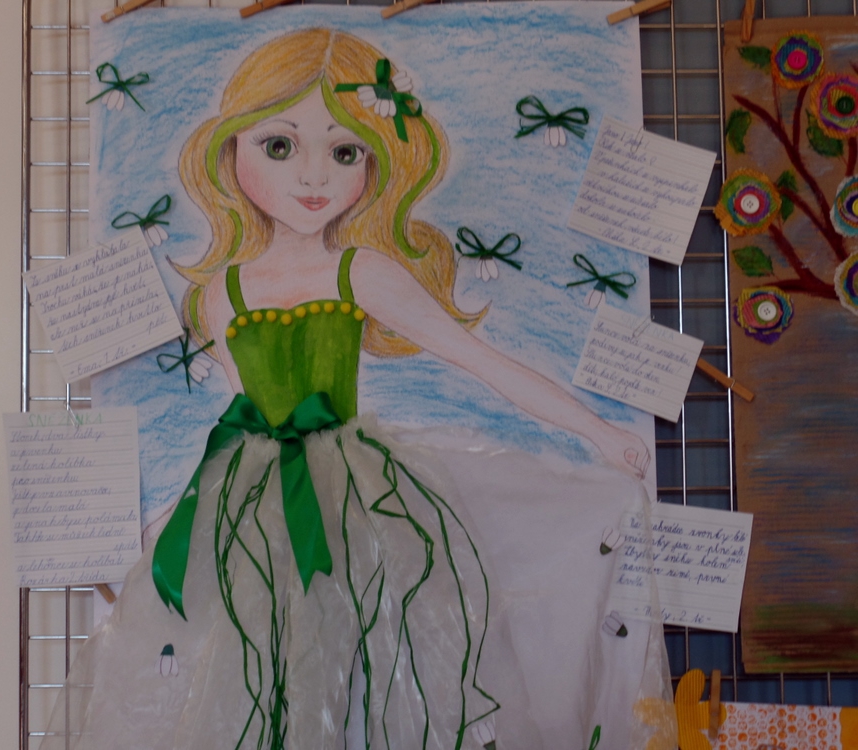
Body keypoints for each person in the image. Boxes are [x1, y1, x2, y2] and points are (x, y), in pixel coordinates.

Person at [42, 28, 656, 750]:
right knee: (254, 670)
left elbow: (480, 359)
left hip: (354, 496)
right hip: (251, 505)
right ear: (230, 150)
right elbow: (240, 413)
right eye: (279, 146)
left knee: (369, 669)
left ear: (376, 161)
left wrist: (600, 432)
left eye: (344, 152)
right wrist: (174, 513)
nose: (314, 176)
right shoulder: (219, 294)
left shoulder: (359, 272)